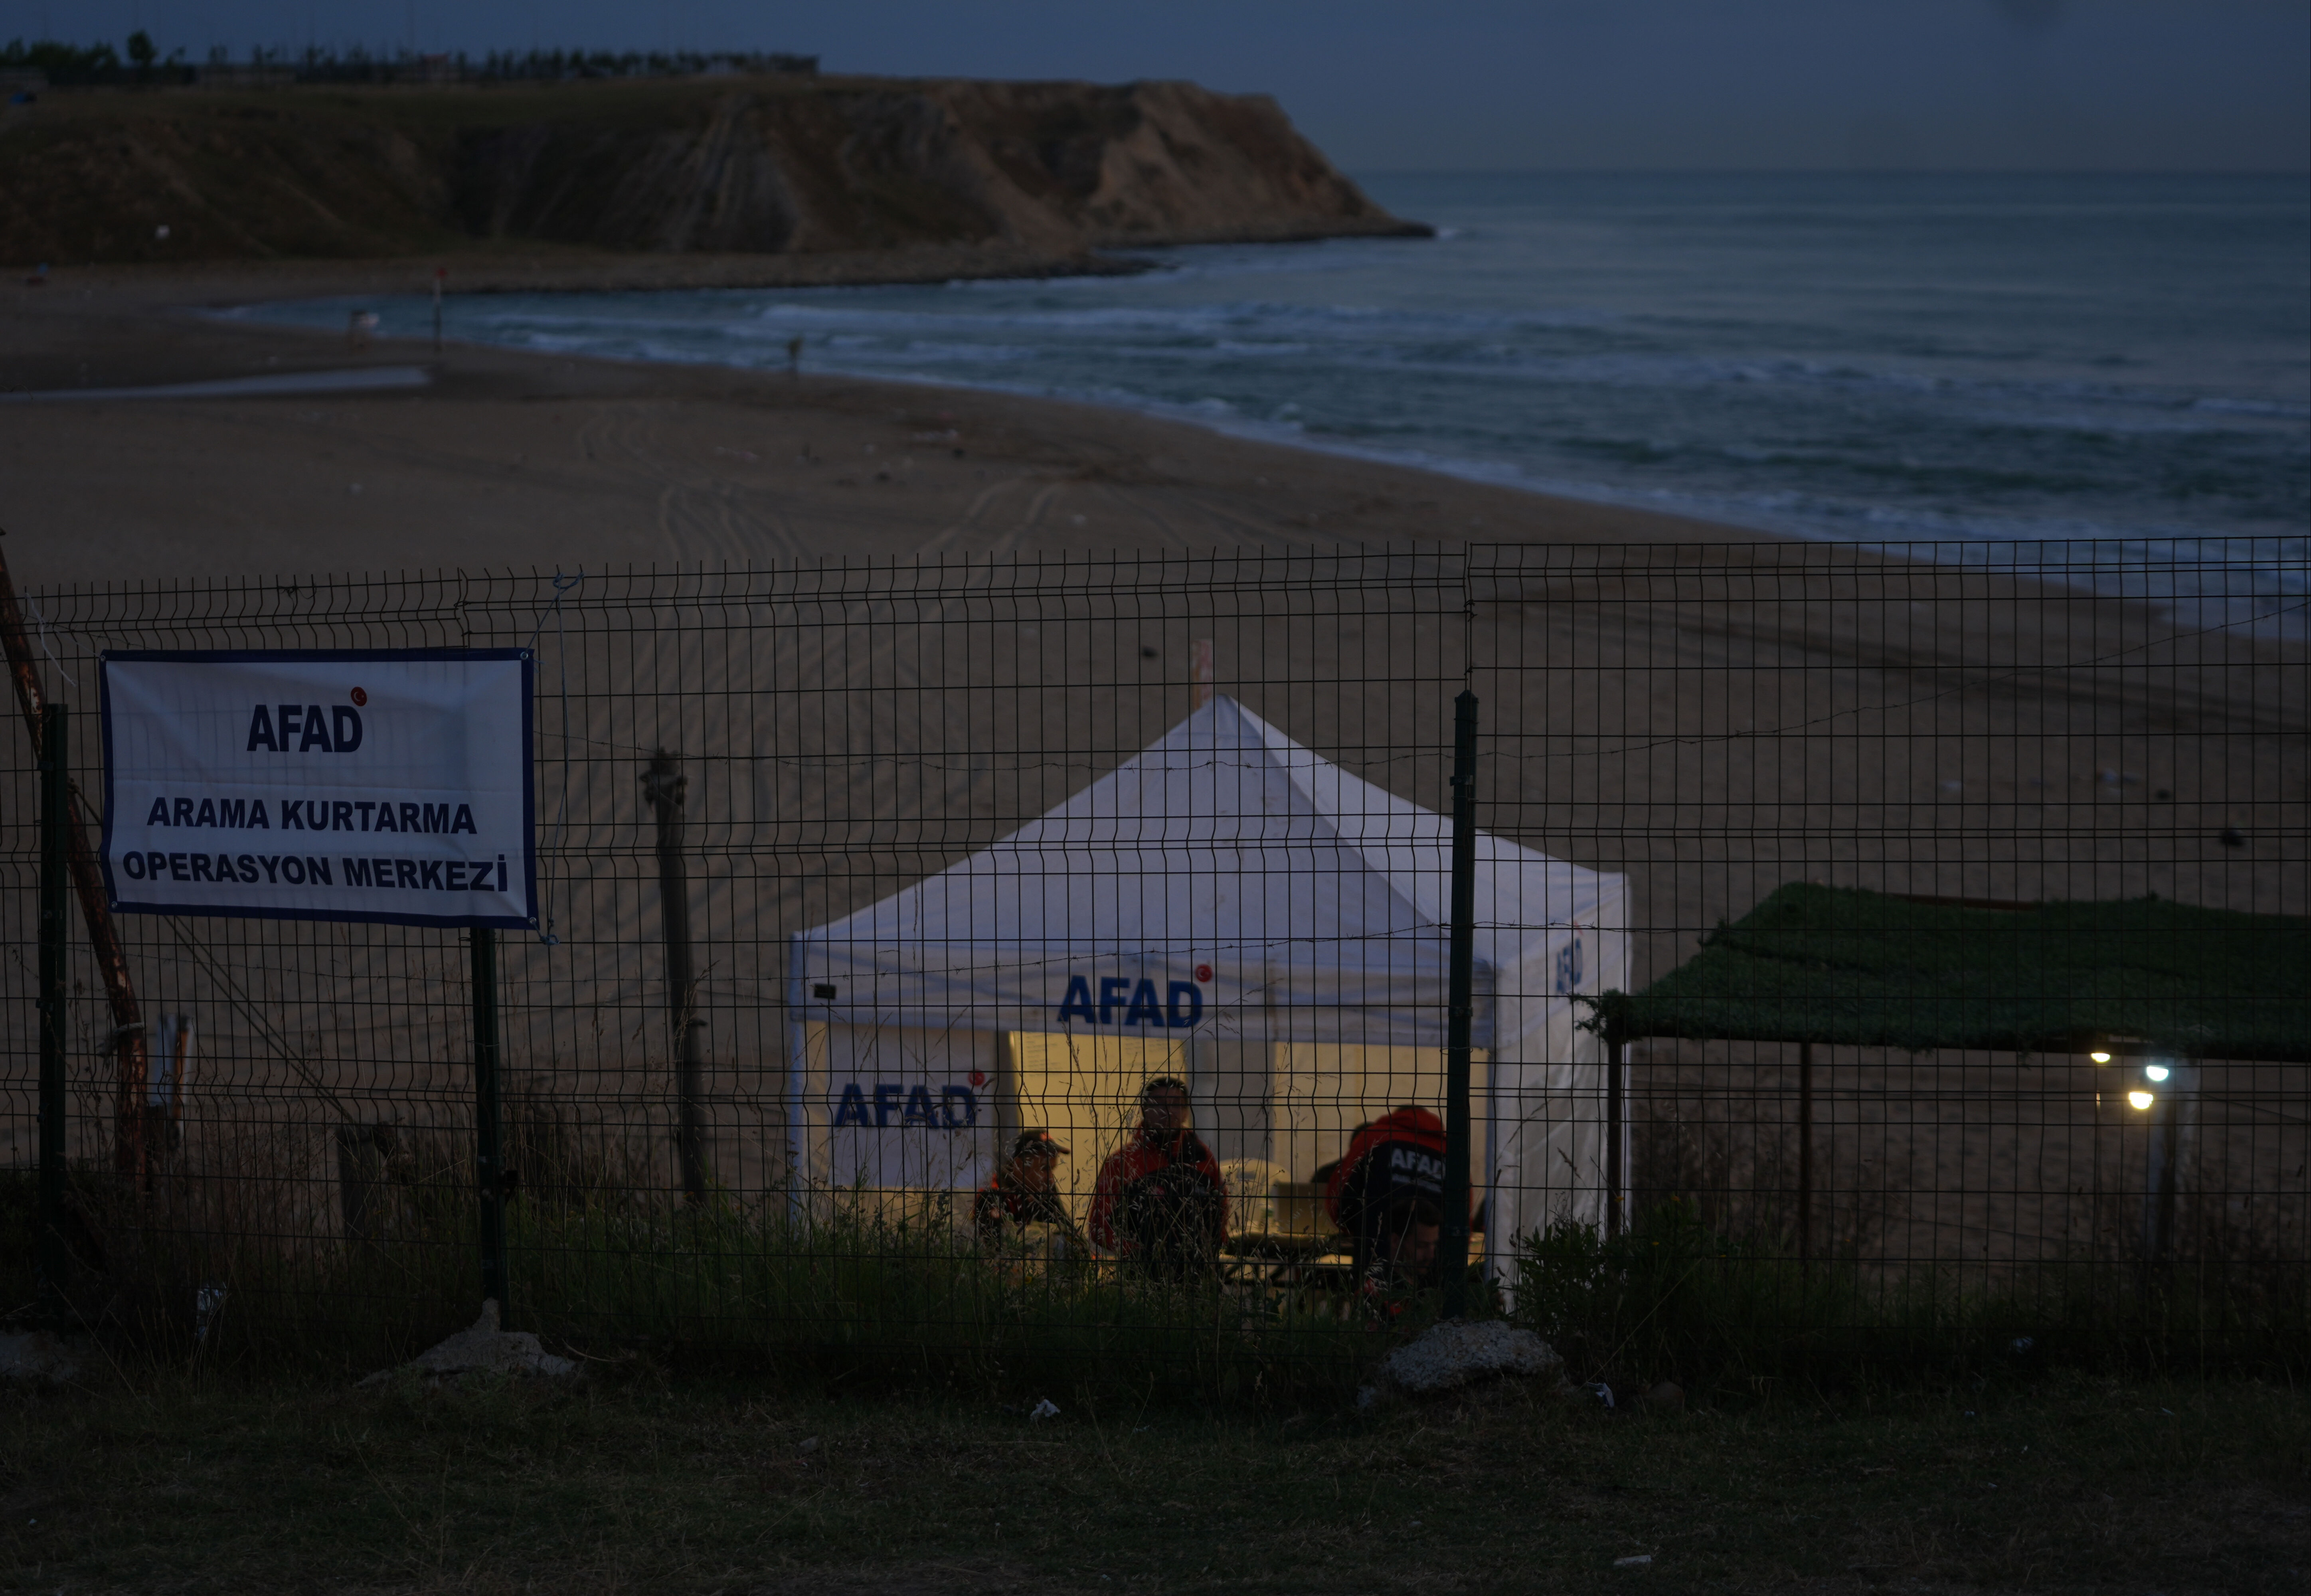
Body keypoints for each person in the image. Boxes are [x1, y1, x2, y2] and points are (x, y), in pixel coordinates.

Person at [1089, 1077, 1229, 1279]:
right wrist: (1139, 1254)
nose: (1168, 1111)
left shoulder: (1201, 1155)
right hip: (1143, 1275)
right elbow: (1099, 1226)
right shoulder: (1122, 1162)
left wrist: (1212, 1247)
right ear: (1144, 1109)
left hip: (1200, 1271)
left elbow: (1221, 1205)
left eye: (1175, 1105)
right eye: (1159, 1104)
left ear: (1186, 1112)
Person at [1324, 1106, 1450, 1294]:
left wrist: (1357, 1229)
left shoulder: (1373, 1139)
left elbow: (1338, 1198)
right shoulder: (1452, 1153)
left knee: (1372, 1317)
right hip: (1436, 1280)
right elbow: (1465, 1218)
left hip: (1372, 1265)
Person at [973, 1128, 1074, 1246]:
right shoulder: (992, 1194)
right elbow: (995, 1250)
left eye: (1052, 1169)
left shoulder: (1044, 1190)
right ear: (1020, 1166)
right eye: (1045, 1169)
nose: (1051, 1179)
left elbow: (1071, 1238)